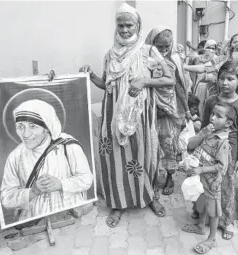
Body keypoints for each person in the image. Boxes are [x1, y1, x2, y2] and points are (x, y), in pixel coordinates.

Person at [79, 3, 175, 227]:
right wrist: (92, 76)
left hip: (140, 114)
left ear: (138, 25)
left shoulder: (148, 51)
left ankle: (148, 197)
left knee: (145, 154)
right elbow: (107, 84)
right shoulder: (110, 54)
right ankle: (118, 204)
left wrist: (145, 80)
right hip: (113, 114)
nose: (124, 30)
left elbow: (169, 79)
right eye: (120, 25)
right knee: (116, 157)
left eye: (129, 25)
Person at [1, 97, 93, 221]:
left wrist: (61, 184)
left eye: (33, 126)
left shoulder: (68, 146)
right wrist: (32, 192)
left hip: (70, 213)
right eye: (20, 127)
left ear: (47, 127)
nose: (26, 134)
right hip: (35, 219)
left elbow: (87, 179)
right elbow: (6, 198)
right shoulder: (15, 157)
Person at [201, 60, 238, 240]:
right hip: (210, 148)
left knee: (227, 185)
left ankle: (227, 221)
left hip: (229, 152)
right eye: (222, 78)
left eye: (230, 79)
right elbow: (205, 126)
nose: (225, 83)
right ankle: (206, 215)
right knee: (208, 183)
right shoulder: (211, 100)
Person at [181, 102, 233, 254]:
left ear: (228, 123)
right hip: (201, 180)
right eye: (212, 114)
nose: (213, 118)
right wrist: (202, 133)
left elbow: (221, 167)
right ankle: (200, 226)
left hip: (212, 183)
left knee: (213, 211)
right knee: (202, 204)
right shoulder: (208, 133)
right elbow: (190, 146)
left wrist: (200, 169)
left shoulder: (222, 141)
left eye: (219, 116)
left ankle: (211, 238)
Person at [145, 26, 191, 196]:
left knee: (169, 145)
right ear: (151, 44)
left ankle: (170, 178)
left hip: (170, 111)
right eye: (160, 47)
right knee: (152, 145)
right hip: (151, 110)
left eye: (167, 46)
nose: (164, 50)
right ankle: (154, 178)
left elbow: (179, 87)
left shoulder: (174, 60)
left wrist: (186, 110)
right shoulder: (145, 60)